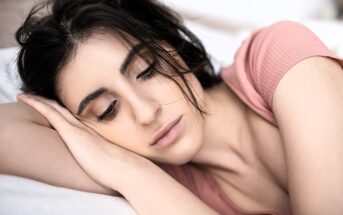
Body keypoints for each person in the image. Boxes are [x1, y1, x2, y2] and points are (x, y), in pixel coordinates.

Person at [1, 0, 343, 214]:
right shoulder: (165, 179)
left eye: (148, 71)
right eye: (107, 110)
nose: (146, 113)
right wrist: (131, 173)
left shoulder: (275, 56)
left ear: (172, 45)